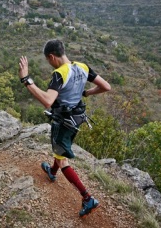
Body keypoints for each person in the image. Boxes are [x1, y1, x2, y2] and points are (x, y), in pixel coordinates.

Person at [18, 39, 111, 217]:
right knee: (61, 149)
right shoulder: (83, 67)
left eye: (48, 60)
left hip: (64, 121)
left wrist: (26, 79)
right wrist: (87, 92)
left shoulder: (59, 74)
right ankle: (52, 172)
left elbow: (47, 101)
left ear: (52, 56)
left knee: (63, 160)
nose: (49, 63)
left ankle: (87, 197)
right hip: (77, 118)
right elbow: (106, 86)